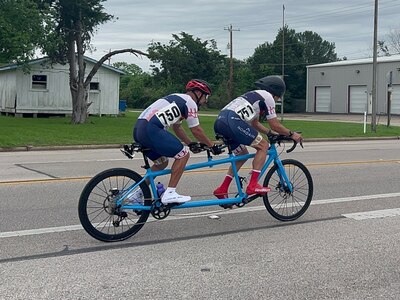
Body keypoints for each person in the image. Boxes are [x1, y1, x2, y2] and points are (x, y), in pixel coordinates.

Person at [132, 79, 222, 205]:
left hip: (138, 129)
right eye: (205, 96)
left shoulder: (177, 99)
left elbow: (177, 127)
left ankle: (137, 194)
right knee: (183, 154)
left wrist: (190, 143)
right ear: (197, 92)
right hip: (151, 130)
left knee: (161, 163)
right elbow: (196, 129)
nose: (206, 100)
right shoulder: (190, 103)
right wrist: (212, 146)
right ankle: (170, 193)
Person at [213, 75, 303, 200]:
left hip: (220, 122)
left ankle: (222, 188)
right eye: (279, 97)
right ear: (276, 92)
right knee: (263, 146)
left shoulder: (253, 96)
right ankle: (253, 185)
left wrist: (269, 132)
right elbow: (275, 124)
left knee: (241, 155)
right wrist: (292, 134)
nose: (277, 100)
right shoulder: (268, 97)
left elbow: (255, 123)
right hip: (232, 121)